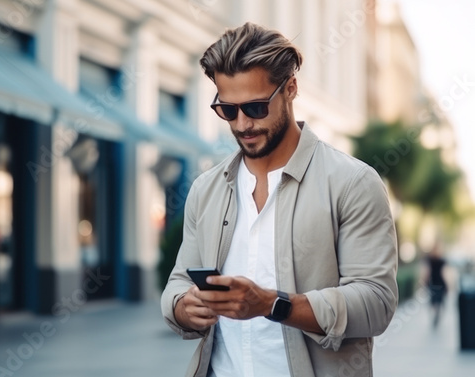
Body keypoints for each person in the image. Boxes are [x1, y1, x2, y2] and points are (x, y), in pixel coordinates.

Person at [161, 22, 398, 377]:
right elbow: (177, 283)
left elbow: (376, 303)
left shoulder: (352, 182)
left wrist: (272, 304)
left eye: (256, 108)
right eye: (228, 110)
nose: (242, 124)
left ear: (290, 89)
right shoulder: (206, 189)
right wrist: (184, 306)